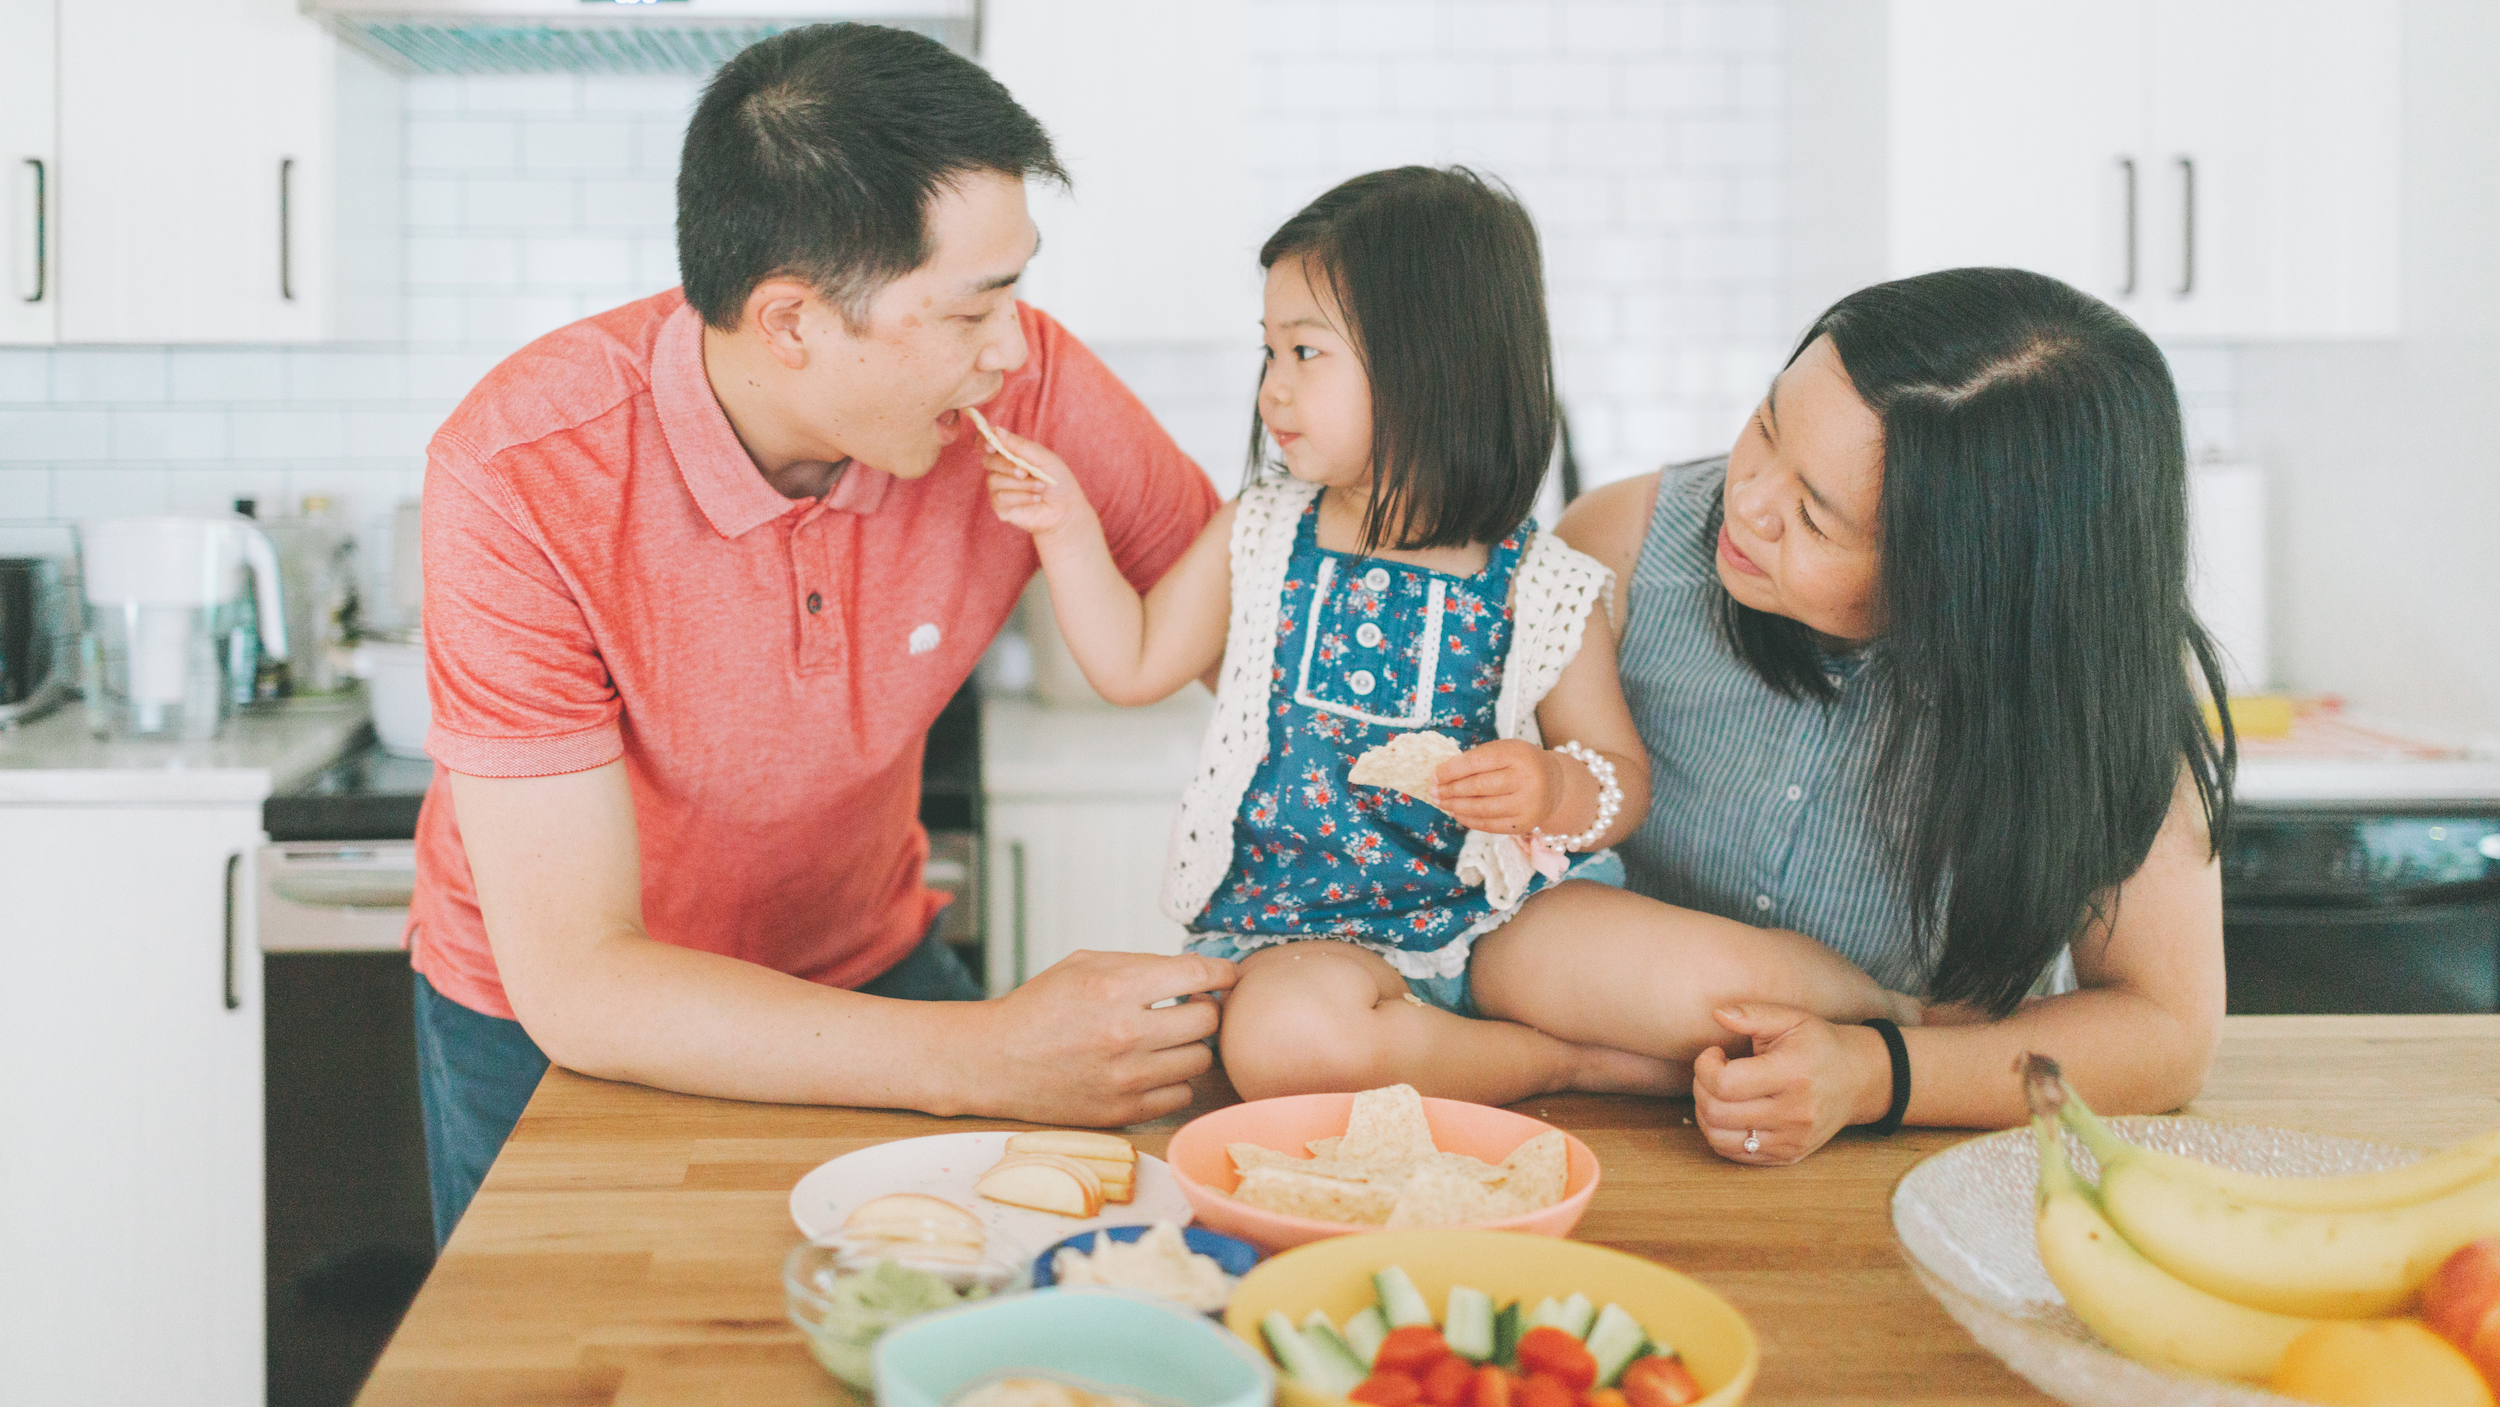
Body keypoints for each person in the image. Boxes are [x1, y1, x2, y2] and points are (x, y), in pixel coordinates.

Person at [407, 24, 1235, 1244]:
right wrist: (992, 1055)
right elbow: (581, 979)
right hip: (552, 1029)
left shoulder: (1026, 384)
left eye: (1017, 292)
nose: (1011, 349)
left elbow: (1262, 635)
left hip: (865, 964)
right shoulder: (520, 471)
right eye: (971, 311)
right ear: (790, 322)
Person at [981, 167, 1916, 1107]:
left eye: (1307, 353)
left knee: (1718, 983)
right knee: (1283, 1044)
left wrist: (1552, 786)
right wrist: (1066, 531)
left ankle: (1914, 1015)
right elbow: (1133, 662)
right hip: (1310, 932)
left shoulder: (1539, 580)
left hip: (1503, 911)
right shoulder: (1260, 532)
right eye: (1269, 352)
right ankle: (1566, 1063)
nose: (1272, 389)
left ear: (1432, 364)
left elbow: (1618, 777)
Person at [1560, 266, 2237, 1166]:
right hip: (1615, 1134)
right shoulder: (1618, 549)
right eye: (1765, 427)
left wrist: (1874, 1072)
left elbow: (2165, 1035)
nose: (1748, 501)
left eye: (1813, 516)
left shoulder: (2096, 697)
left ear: (1964, 585)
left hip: (1931, 1174)